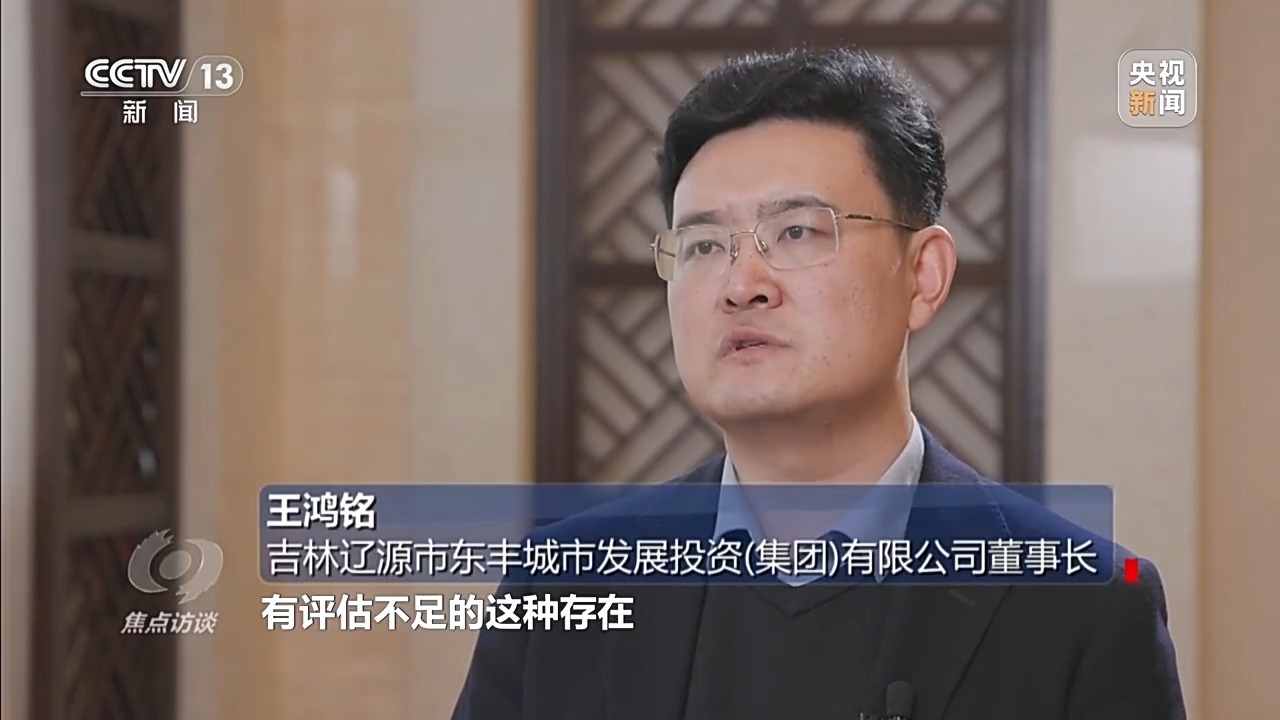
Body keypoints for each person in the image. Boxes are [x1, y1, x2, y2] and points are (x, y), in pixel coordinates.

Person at [453, 46, 1185, 720]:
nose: (742, 283)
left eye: (797, 231)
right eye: (703, 245)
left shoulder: (1083, 606)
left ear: (923, 275)